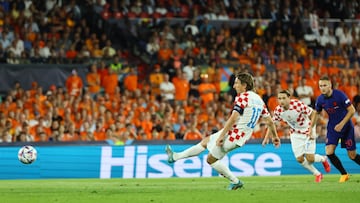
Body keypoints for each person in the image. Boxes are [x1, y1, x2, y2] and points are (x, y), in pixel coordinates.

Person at [165, 72, 281, 190]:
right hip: (241, 135)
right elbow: (270, 122)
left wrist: (222, 135)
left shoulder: (243, 97)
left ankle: (235, 181)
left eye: (236, 83)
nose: (234, 86)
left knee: (211, 159)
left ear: (244, 85)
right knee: (205, 142)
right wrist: (275, 137)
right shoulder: (259, 100)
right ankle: (175, 157)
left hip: (235, 135)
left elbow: (233, 117)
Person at [262, 90, 331, 183]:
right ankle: (317, 174)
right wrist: (266, 138)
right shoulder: (278, 110)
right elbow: (271, 124)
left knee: (310, 158)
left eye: (283, 98)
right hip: (295, 133)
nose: (281, 101)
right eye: (279, 98)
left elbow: (314, 114)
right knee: (299, 159)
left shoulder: (297, 105)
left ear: (289, 98)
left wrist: (311, 129)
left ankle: (323, 159)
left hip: (307, 130)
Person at [311, 76, 360, 183]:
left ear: (330, 85)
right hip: (333, 128)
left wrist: (342, 124)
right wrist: (311, 128)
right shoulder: (320, 99)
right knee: (329, 152)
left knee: (352, 155)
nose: (322, 88)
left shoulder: (340, 95)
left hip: (346, 126)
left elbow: (352, 110)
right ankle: (344, 174)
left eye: (324, 85)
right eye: (320, 86)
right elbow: (316, 113)